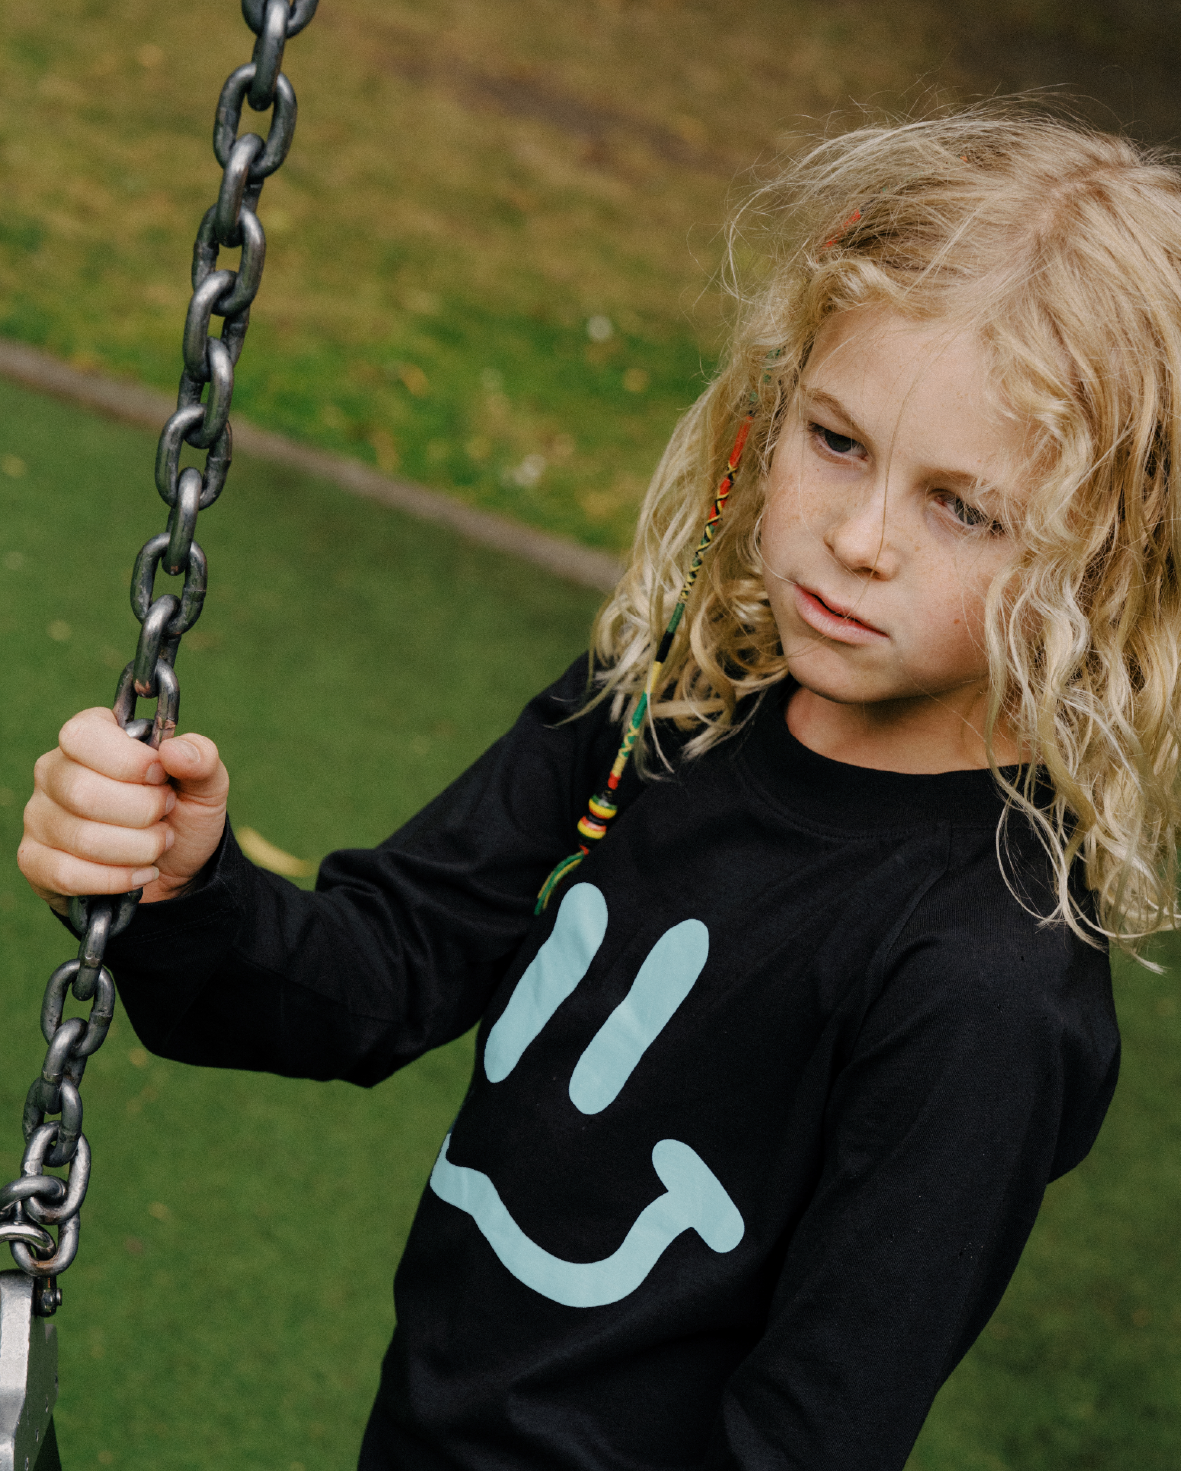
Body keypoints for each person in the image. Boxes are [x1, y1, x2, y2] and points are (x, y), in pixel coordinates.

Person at [20, 101, 1181, 1468]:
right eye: (838, 439)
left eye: (962, 506)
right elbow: (380, 968)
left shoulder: (983, 981)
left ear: (1108, 558)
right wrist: (182, 885)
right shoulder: (672, 695)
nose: (859, 540)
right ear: (772, 405)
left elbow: (816, 1431)